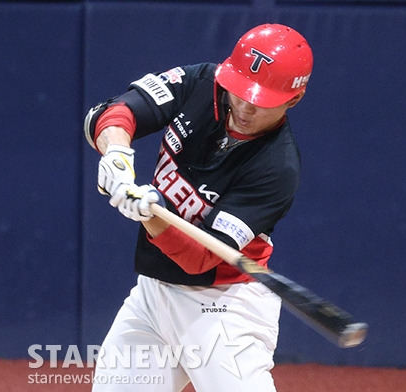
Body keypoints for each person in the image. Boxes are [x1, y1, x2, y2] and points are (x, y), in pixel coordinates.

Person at [84, 23, 313, 392]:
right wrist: (116, 153)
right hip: (155, 296)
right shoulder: (201, 83)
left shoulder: (277, 169)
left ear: (294, 99)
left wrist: (150, 215)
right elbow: (114, 112)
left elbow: (200, 259)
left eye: (259, 101)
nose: (242, 106)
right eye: (239, 91)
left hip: (224, 307)